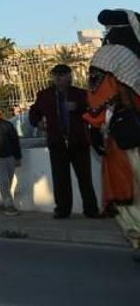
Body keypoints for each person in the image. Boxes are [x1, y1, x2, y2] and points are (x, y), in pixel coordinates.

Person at [83, 44, 140, 259]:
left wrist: (94, 131)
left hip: (121, 146)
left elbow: (95, 109)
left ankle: (137, 239)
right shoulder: (133, 68)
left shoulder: (103, 70)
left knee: (127, 198)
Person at [28, 63, 100, 219]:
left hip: (78, 141)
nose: (59, 78)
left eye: (62, 75)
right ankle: (62, 209)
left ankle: (91, 209)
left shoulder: (80, 94)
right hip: (57, 142)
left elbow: (93, 110)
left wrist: (78, 107)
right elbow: (33, 112)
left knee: (84, 177)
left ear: (69, 76)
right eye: (56, 75)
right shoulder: (45, 95)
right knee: (60, 179)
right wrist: (38, 122)